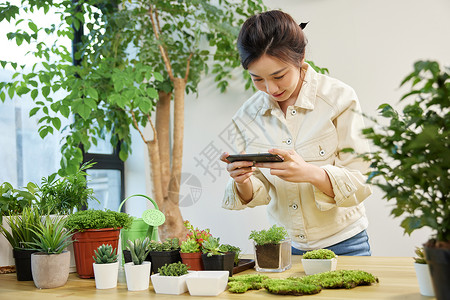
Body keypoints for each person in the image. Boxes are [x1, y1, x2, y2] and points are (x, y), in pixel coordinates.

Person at [220, 10, 372, 256]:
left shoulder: (339, 99)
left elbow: (361, 179)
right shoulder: (247, 115)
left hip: (345, 245)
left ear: (299, 58)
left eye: (279, 76)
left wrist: (309, 173)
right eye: (257, 79)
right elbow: (257, 192)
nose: (271, 88)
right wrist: (242, 180)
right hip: (287, 249)